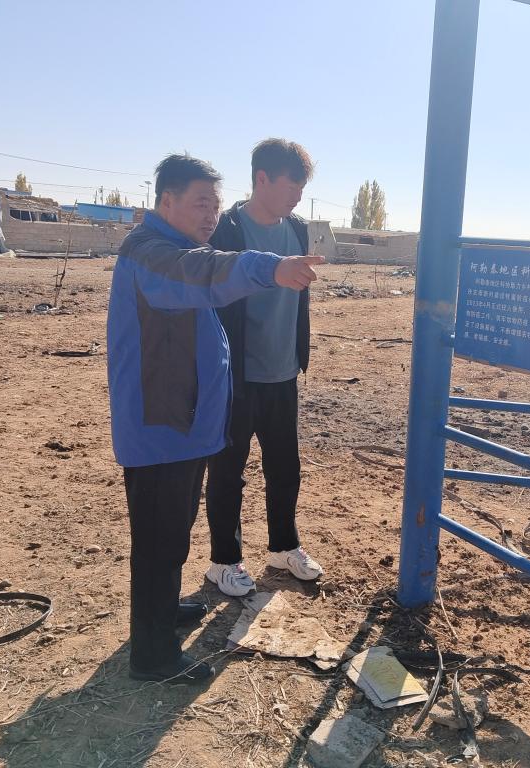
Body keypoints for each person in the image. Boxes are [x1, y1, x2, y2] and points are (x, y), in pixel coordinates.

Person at [106, 153, 322, 683]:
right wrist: (268, 267)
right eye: (200, 204)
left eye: (215, 205)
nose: (211, 216)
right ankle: (153, 656)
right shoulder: (153, 254)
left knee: (173, 534)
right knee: (159, 542)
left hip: (182, 425)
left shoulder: (176, 248)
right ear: (166, 201)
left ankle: (161, 612)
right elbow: (208, 273)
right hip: (161, 427)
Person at [203, 138, 321, 597]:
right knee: (228, 471)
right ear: (261, 179)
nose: (297, 196)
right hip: (236, 375)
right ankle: (224, 561)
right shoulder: (228, 230)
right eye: (292, 186)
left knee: (285, 467)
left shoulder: (298, 229)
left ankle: (283, 547)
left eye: (302, 188)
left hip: (283, 371)